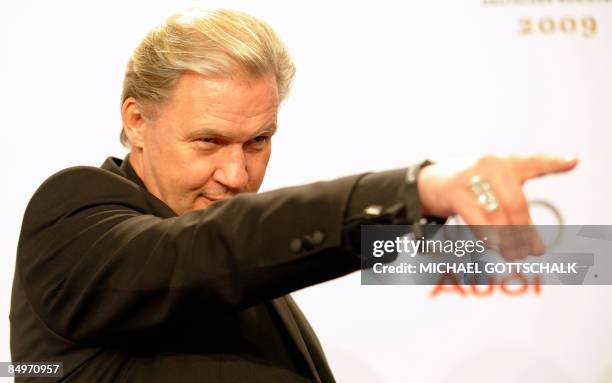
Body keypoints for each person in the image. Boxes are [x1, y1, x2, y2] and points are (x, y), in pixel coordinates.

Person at [10, 8, 577, 383]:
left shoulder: (246, 261)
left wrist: (577, 256)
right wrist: (419, 188)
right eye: (208, 140)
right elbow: (211, 249)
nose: (237, 173)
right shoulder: (74, 213)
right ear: (136, 121)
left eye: (259, 140)